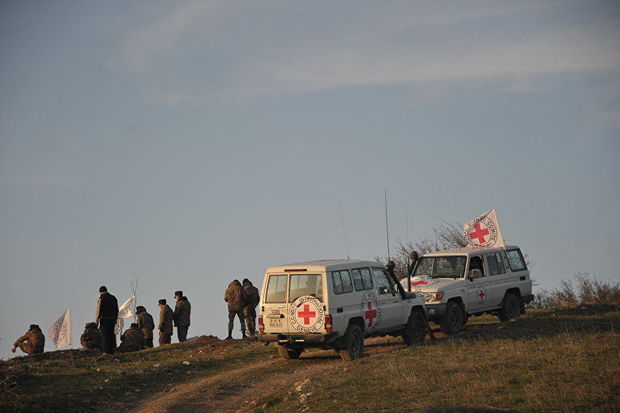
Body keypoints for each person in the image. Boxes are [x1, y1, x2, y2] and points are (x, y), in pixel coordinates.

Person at [96, 286, 119, 354]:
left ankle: (106, 351)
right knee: (111, 335)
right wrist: (115, 319)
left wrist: (97, 319)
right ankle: (112, 350)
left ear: (100, 292)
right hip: (112, 319)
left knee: (105, 335)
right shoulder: (113, 298)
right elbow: (116, 310)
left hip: (104, 319)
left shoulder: (101, 298)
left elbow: (98, 309)